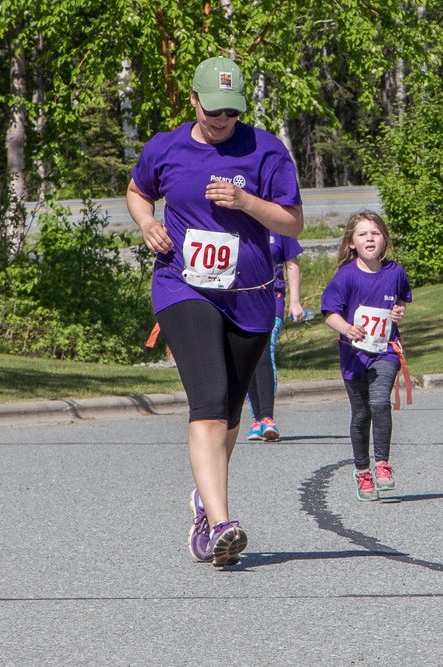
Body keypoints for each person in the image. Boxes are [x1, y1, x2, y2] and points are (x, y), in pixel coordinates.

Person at [126, 56, 303, 567]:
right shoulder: (165, 147)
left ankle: (206, 499)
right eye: (214, 109)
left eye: (232, 110)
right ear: (194, 100)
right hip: (182, 285)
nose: (223, 118)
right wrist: (146, 223)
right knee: (208, 399)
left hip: (249, 294)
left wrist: (246, 202)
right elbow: (138, 191)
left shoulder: (265, 149)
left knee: (228, 414)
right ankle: (220, 525)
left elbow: (291, 223)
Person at [321, 210, 412, 501]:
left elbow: (399, 303)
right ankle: (363, 470)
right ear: (352, 243)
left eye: (375, 232)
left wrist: (399, 312)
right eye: (362, 234)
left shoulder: (394, 271)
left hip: (386, 351)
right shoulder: (346, 276)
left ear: (384, 238)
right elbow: (330, 314)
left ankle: (383, 464)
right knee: (361, 414)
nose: (370, 238)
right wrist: (347, 328)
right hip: (354, 355)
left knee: (379, 402)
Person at [245, 232, 305, 441]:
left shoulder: (278, 226)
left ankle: (267, 418)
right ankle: (257, 420)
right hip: (242, 301)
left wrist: (295, 301)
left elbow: (292, 263)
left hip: (272, 299)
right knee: (248, 359)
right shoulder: (239, 219)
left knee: (265, 351)